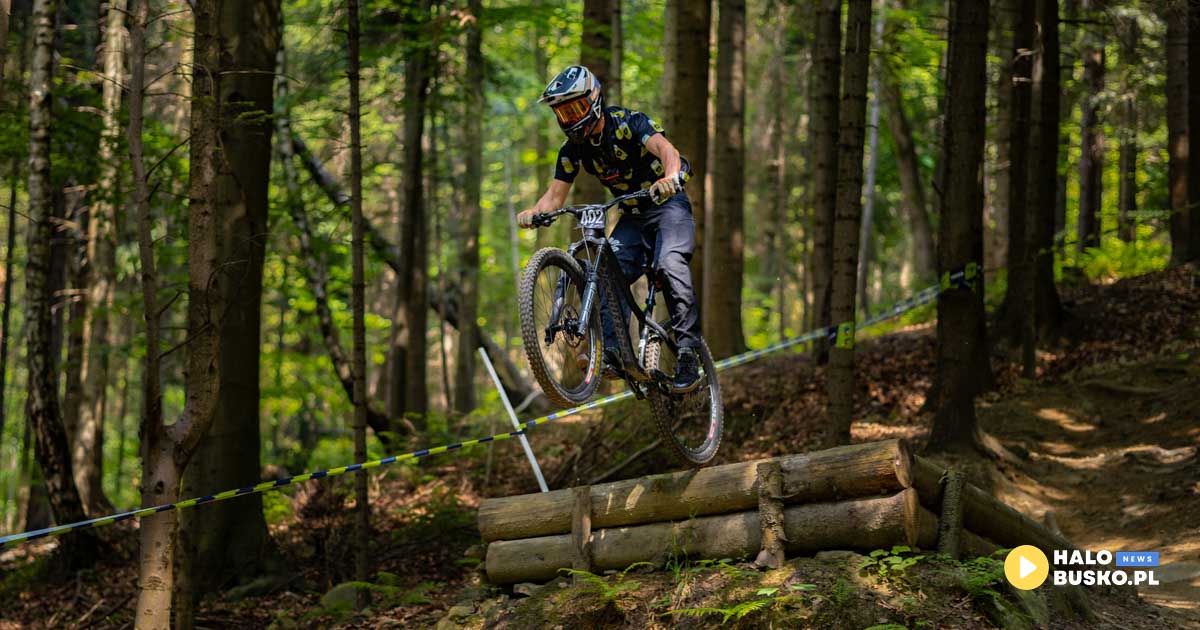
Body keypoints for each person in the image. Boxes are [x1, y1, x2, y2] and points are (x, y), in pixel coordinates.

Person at [516, 65, 702, 392]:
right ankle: (614, 351)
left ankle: (688, 351)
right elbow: (555, 196)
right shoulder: (573, 151)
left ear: (594, 100)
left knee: (669, 263)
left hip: (668, 207)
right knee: (601, 271)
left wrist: (669, 179)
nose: (570, 118)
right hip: (631, 218)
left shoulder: (629, 123)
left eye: (575, 108)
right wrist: (535, 212)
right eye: (563, 112)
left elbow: (667, 151)